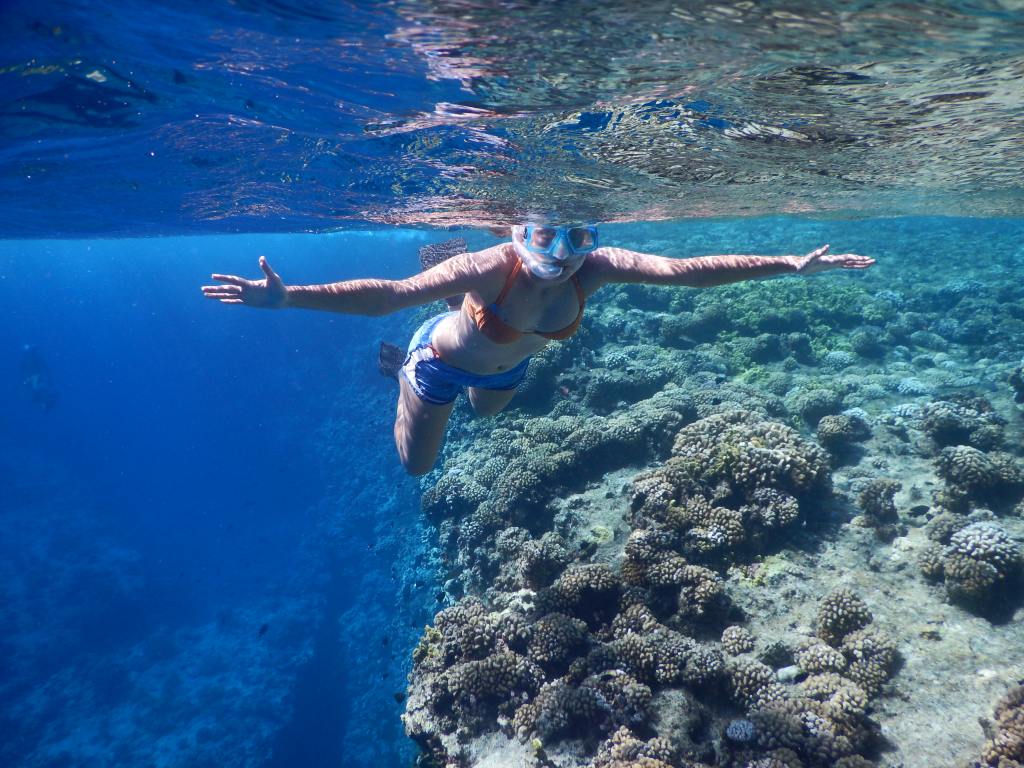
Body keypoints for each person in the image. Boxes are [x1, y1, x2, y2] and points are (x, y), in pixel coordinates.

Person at [202, 223, 874, 475]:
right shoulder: (495, 266)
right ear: (519, 233)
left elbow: (685, 271)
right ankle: (403, 366)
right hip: (442, 363)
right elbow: (388, 293)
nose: (560, 255)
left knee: (490, 414)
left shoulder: (596, 267)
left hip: (510, 361)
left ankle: (459, 331)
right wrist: (290, 298)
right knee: (416, 467)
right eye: (545, 236)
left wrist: (788, 263)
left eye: (575, 238)